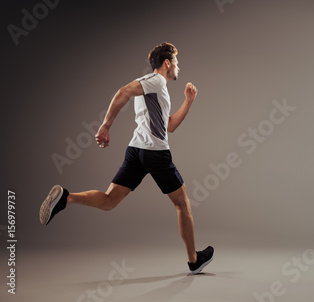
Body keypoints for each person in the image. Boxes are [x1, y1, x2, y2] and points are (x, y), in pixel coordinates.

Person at [39, 42, 214, 275]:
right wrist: (105, 125)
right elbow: (123, 92)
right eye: (176, 63)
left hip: (136, 151)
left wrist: (189, 101)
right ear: (167, 63)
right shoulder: (156, 80)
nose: (178, 68)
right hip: (155, 153)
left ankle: (66, 198)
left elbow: (169, 125)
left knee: (110, 200)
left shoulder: (153, 89)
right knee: (182, 204)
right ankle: (193, 261)